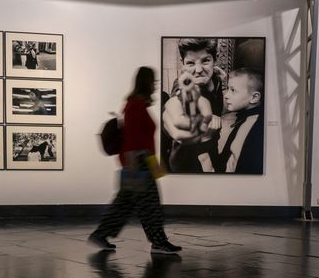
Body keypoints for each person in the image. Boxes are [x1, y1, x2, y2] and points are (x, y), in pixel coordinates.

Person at [89, 66, 181, 255]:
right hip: (139, 163)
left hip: (141, 161)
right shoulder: (136, 106)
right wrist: (136, 164)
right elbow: (133, 138)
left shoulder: (137, 104)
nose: (155, 86)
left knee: (124, 204)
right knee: (150, 204)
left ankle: (100, 235)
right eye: (153, 82)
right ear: (146, 82)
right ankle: (158, 242)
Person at [162, 38, 226, 173]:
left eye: (205, 61)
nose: (198, 70)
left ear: (216, 59)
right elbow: (177, 101)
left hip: (212, 148)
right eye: (190, 63)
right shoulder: (184, 86)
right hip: (188, 163)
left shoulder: (216, 79)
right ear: (182, 64)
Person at [206, 68, 264, 173]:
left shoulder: (252, 126)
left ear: (254, 97)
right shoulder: (245, 119)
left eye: (233, 90)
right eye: (228, 89)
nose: (226, 96)